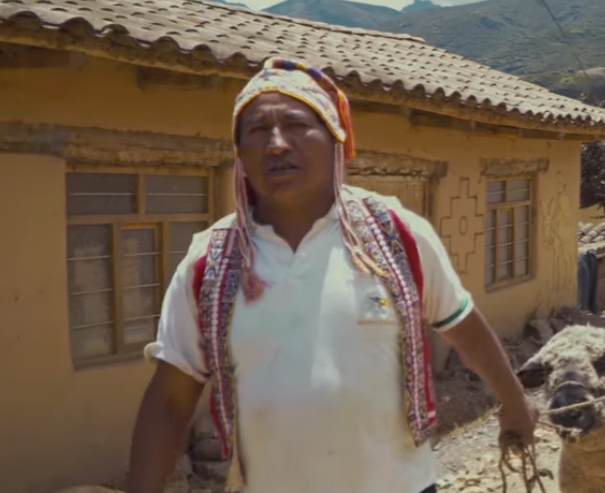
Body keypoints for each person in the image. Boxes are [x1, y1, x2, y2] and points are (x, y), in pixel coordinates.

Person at [125, 57, 538, 493]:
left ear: (335, 138)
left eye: (296, 124)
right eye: (258, 130)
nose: (277, 144)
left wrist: (514, 401)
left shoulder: (396, 236)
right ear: (241, 154)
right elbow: (170, 400)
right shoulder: (209, 263)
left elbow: (462, 324)